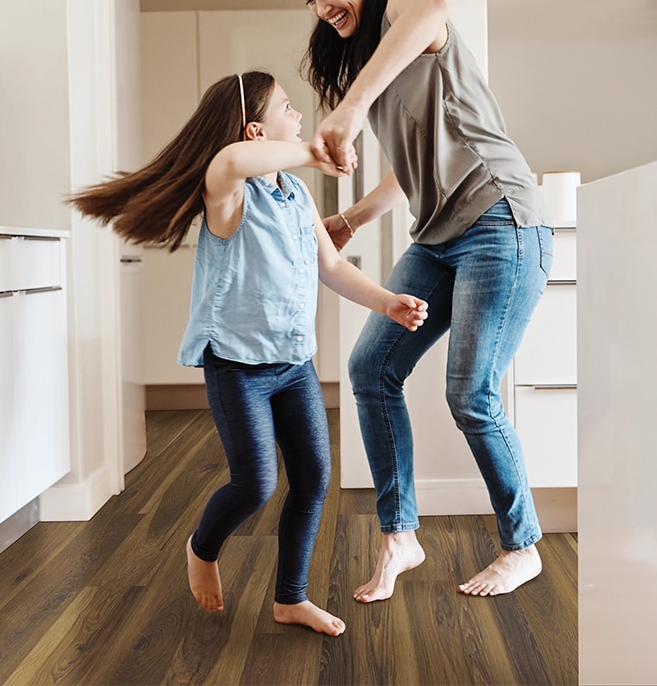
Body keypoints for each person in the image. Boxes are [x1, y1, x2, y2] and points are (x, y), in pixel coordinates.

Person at [68, 70, 428, 635]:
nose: (301, 116)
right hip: (236, 365)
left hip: (293, 364)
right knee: (256, 483)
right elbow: (230, 161)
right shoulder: (229, 194)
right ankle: (202, 548)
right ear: (256, 131)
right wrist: (312, 151)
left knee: (312, 477)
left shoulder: (295, 193)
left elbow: (330, 266)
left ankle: (290, 598)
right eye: (289, 108)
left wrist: (387, 304)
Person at [288, 0, 554, 601]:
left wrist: (348, 111)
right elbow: (413, 168)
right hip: (437, 233)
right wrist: (350, 216)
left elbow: (436, 7)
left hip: (499, 218)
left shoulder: (407, 7)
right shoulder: (366, 56)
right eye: (310, 1)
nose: (323, 9)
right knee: (370, 367)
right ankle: (400, 536)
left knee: (471, 392)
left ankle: (522, 545)